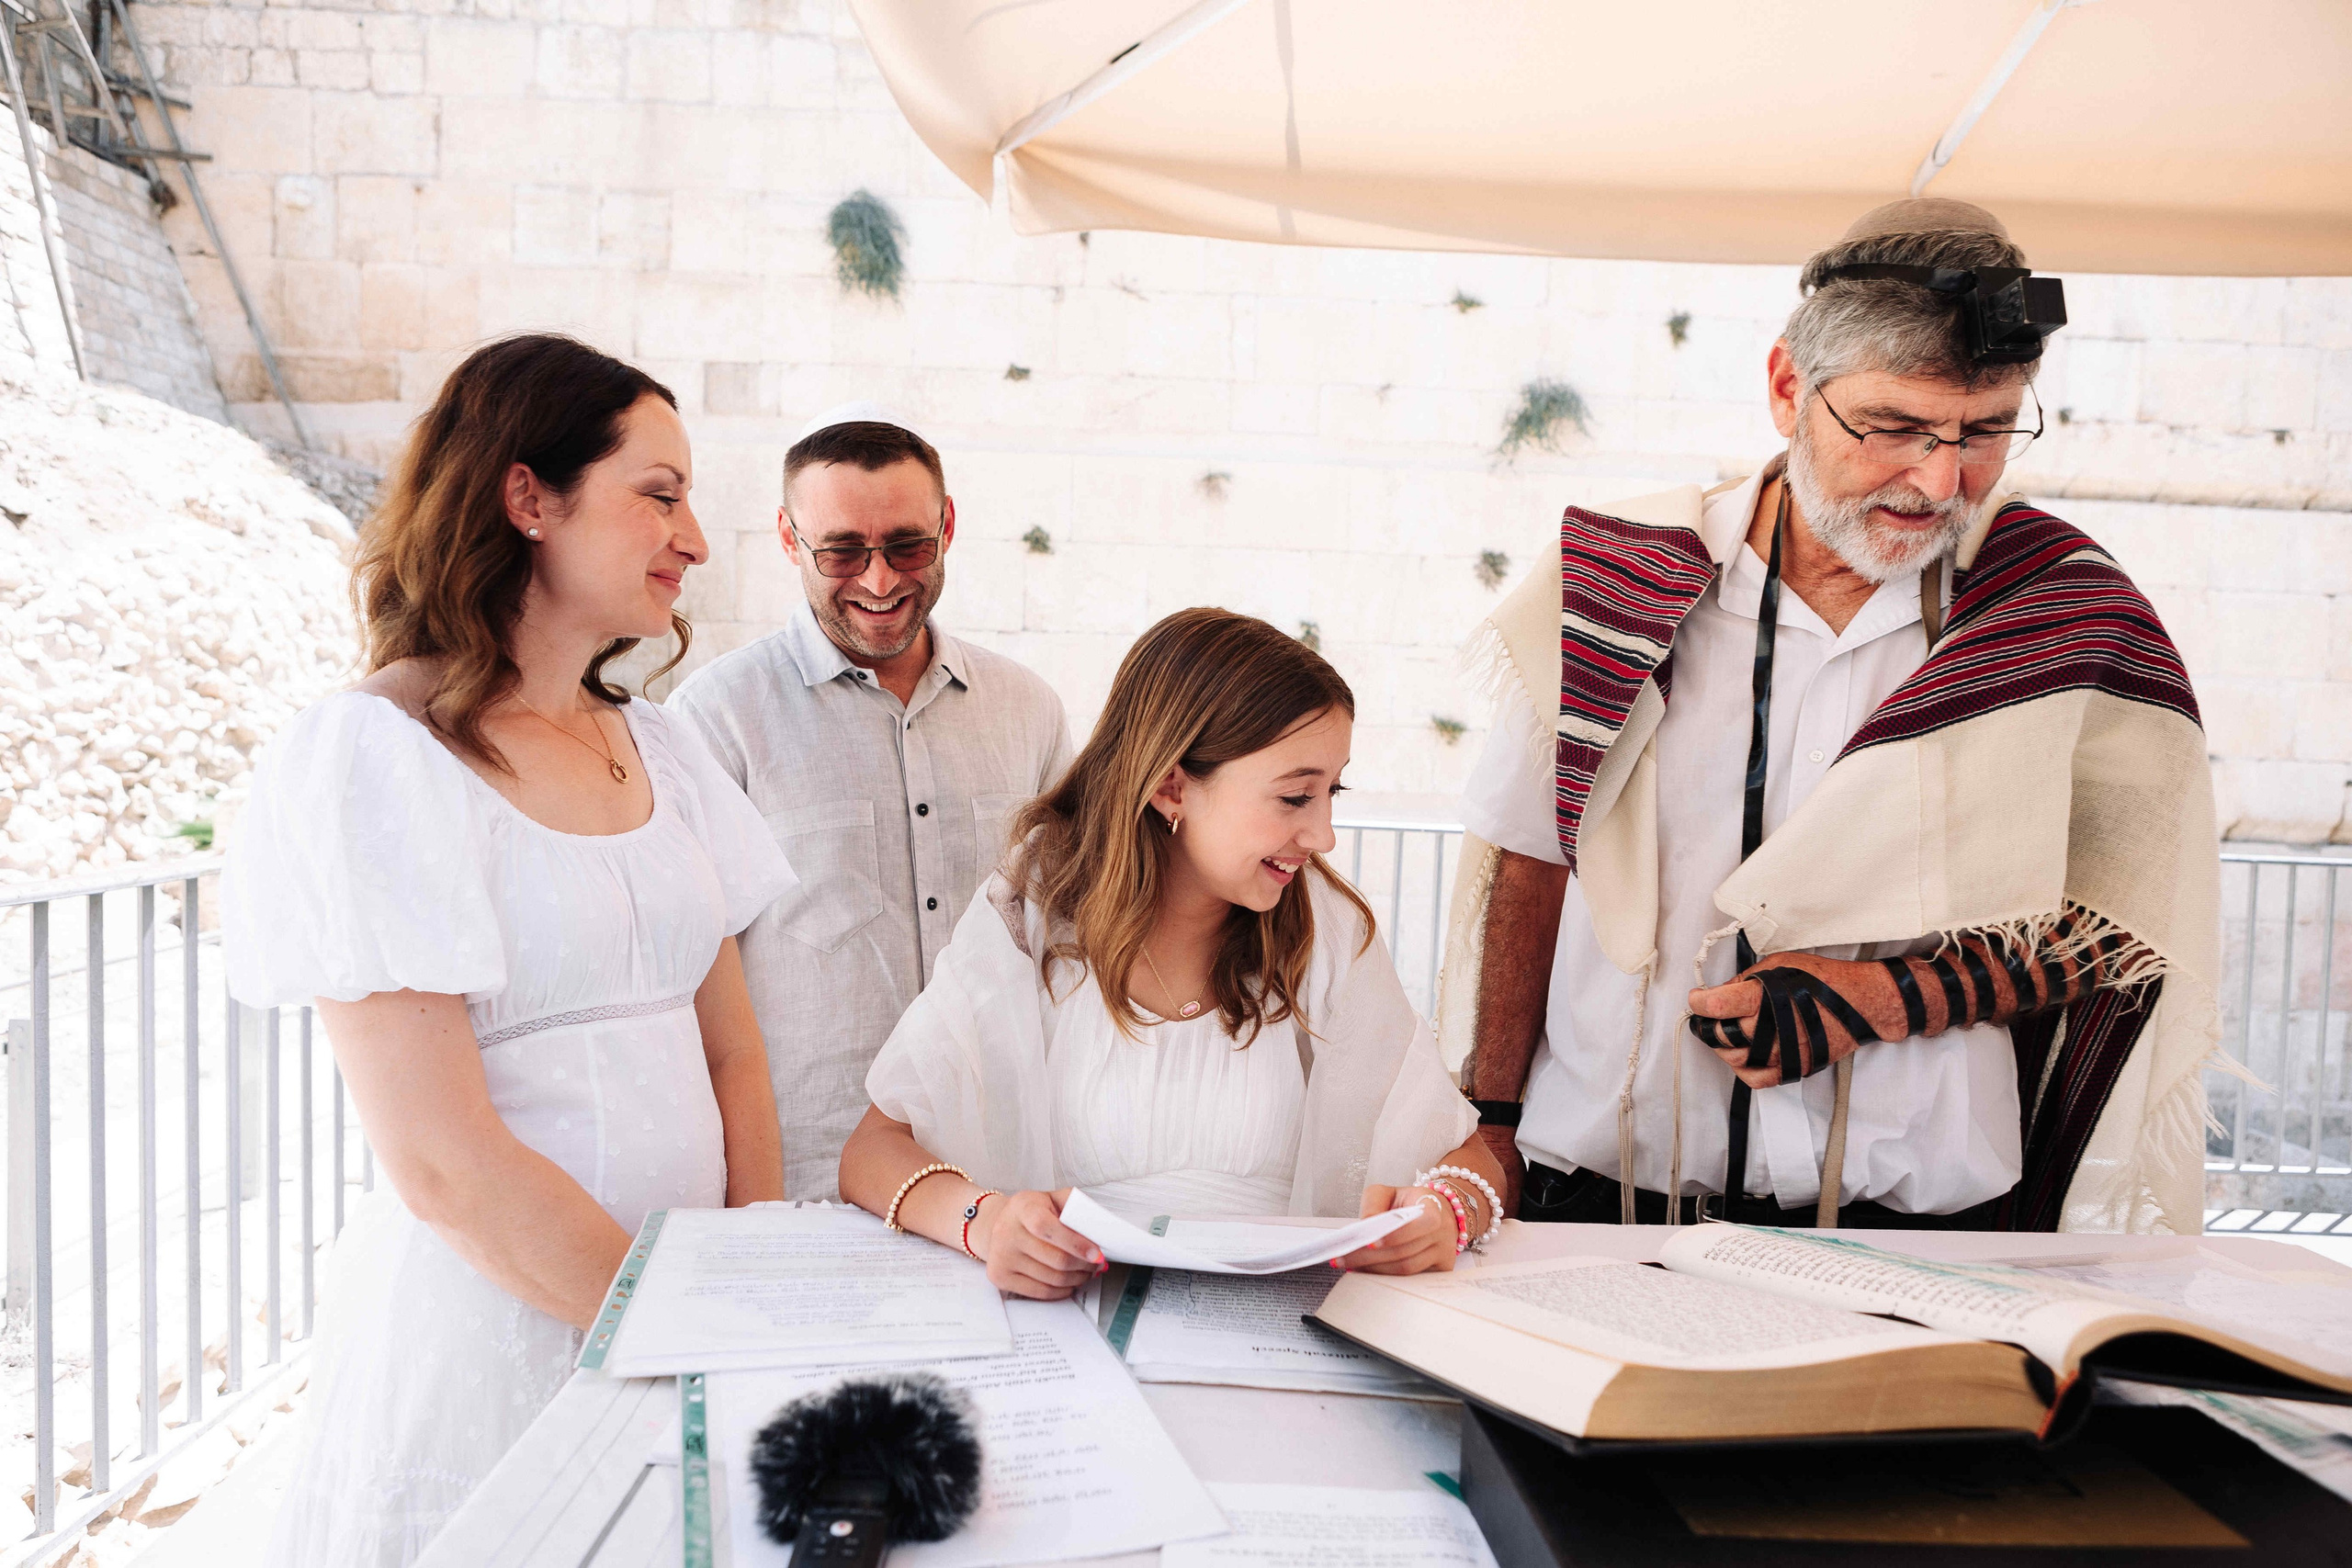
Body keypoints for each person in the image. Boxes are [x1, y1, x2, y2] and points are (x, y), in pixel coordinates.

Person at [1443, 198, 2221, 1235]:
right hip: (1601, 1203)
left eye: (1986, 430)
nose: (1940, 480)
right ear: (1785, 390)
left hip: (1919, 1231)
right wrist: (1490, 1120)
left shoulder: (2058, 612)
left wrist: (1890, 997)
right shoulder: (1612, 586)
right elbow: (1527, 860)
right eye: (1894, 427)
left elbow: (2127, 922)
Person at [220, 334, 796, 1566]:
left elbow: (734, 1053)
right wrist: (681, 1330)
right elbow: (444, 1162)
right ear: (528, 495)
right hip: (503, 1342)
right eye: (659, 492)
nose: (694, 536)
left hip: (694, 1332)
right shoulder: (374, 759)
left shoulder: (670, 751)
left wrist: (754, 1298)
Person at [838, 609, 1500, 1296]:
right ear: (1171, 785)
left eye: (1332, 791)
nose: (1324, 835)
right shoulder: (1033, 910)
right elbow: (871, 1150)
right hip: (1073, 1332)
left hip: (1274, 1339)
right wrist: (987, 1221)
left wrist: (1445, 1209)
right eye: (1296, 795)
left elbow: (1467, 1153)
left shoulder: (1322, 929)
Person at [669, 404, 1070, 1201]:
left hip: (1000, 1180)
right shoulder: (715, 719)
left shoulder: (1030, 711)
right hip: (803, 1184)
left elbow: (1074, 930)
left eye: (907, 545)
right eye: (842, 551)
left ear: (948, 525)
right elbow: (683, 987)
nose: (880, 580)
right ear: (789, 540)